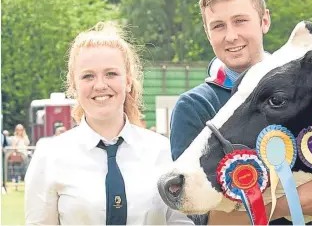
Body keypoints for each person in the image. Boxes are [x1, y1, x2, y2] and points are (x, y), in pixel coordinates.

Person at [169, 0, 312, 225]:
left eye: (240, 21)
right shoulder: (194, 107)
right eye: (218, 26)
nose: (231, 36)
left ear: (264, 20)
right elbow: (205, 219)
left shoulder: (304, 93)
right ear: (207, 33)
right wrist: (291, 203)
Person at [24, 22, 194, 225]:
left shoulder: (164, 153)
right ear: (74, 85)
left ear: (128, 81)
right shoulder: (49, 157)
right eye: (88, 76)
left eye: (111, 74)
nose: (100, 85)